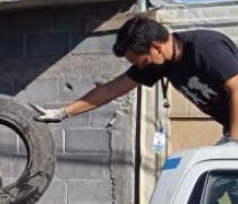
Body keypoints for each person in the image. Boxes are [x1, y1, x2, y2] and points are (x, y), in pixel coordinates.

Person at [33, 16, 238, 144]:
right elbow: (109, 91)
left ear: (156, 47)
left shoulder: (206, 48)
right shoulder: (158, 63)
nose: (142, 68)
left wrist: (233, 143)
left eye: (143, 61)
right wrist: (62, 113)